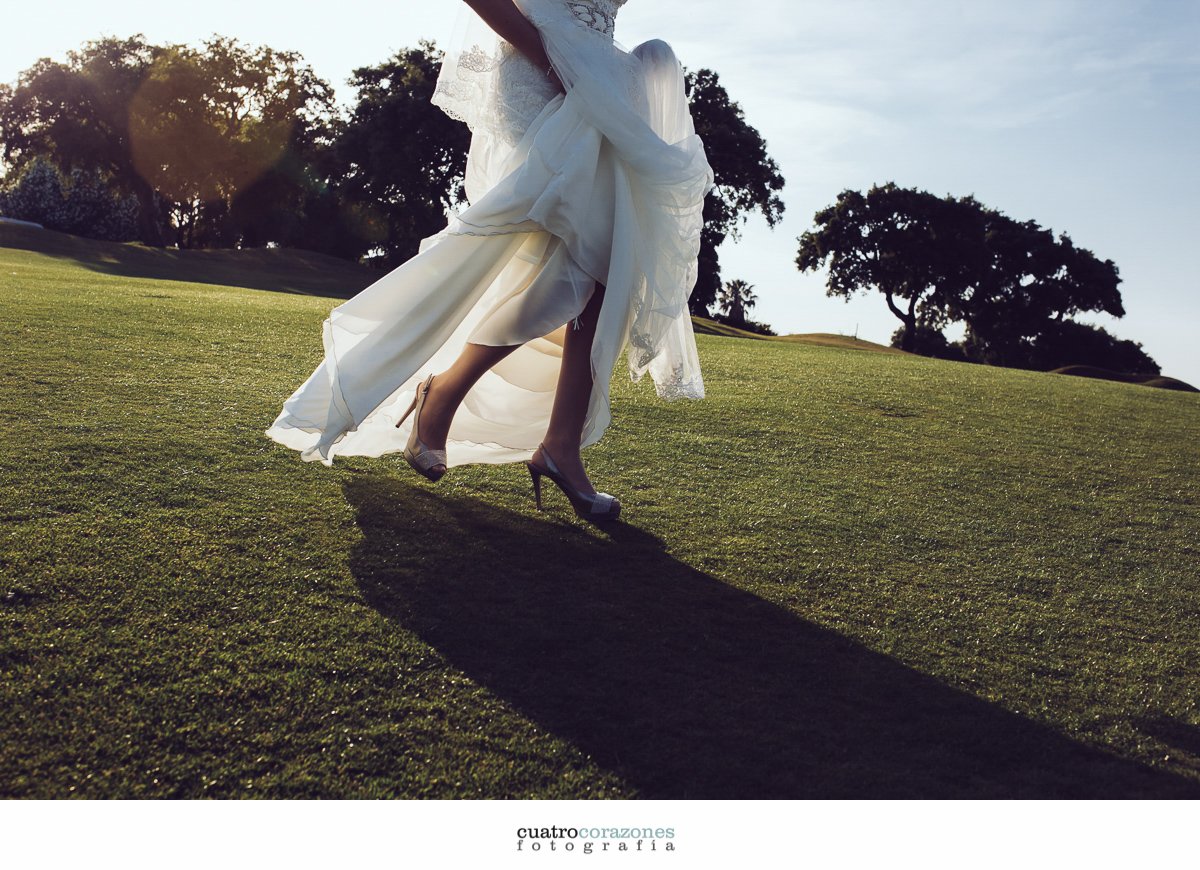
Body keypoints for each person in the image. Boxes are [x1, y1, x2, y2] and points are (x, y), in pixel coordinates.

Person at [265, 0, 713, 523]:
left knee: (608, 268)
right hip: (541, 70)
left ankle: (558, 445)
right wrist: (556, 61)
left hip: (600, 81)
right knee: (570, 262)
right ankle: (447, 394)